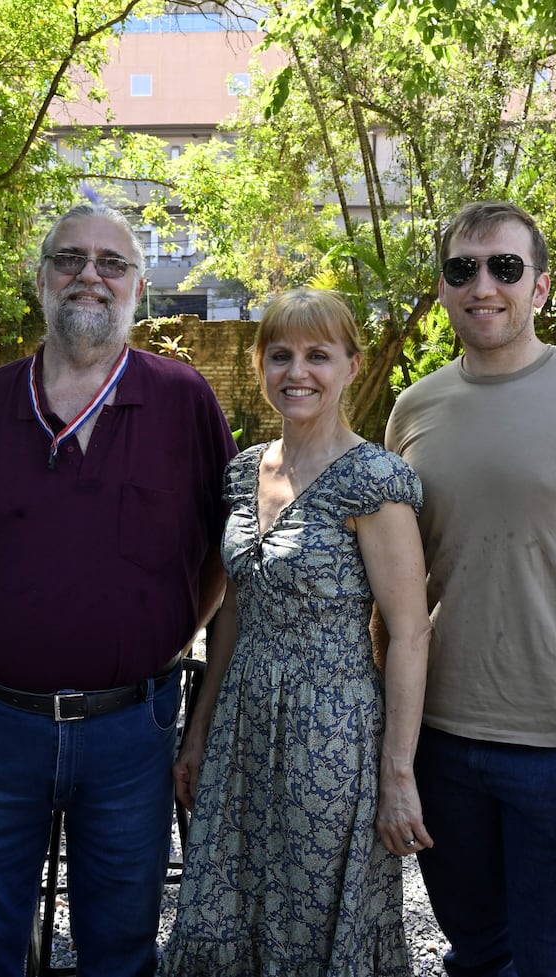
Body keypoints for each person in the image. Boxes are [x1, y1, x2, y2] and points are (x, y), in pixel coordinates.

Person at [0, 202, 238, 977]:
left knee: (120, 948)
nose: (90, 275)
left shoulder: (184, 401)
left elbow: (224, 555)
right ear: (42, 276)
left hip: (131, 733)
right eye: (70, 258)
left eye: (111, 263)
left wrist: (159, 636)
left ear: (140, 286)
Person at [384, 199, 556, 977]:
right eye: (462, 268)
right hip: (442, 744)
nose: (484, 285)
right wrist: (395, 748)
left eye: (505, 267)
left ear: (540, 287)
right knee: (477, 957)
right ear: (442, 287)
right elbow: (397, 582)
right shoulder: (414, 409)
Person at [159, 288, 432, 975]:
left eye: (318, 354)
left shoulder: (374, 480)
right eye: (280, 354)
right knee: (225, 903)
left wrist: (398, 774)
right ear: (260, 365)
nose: (297, 371)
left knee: (311, 919)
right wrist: (198, 732)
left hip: (330, 734)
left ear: (351, 366)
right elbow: (235, 614)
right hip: (241, 729)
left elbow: (408, 633)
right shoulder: (244, 470)